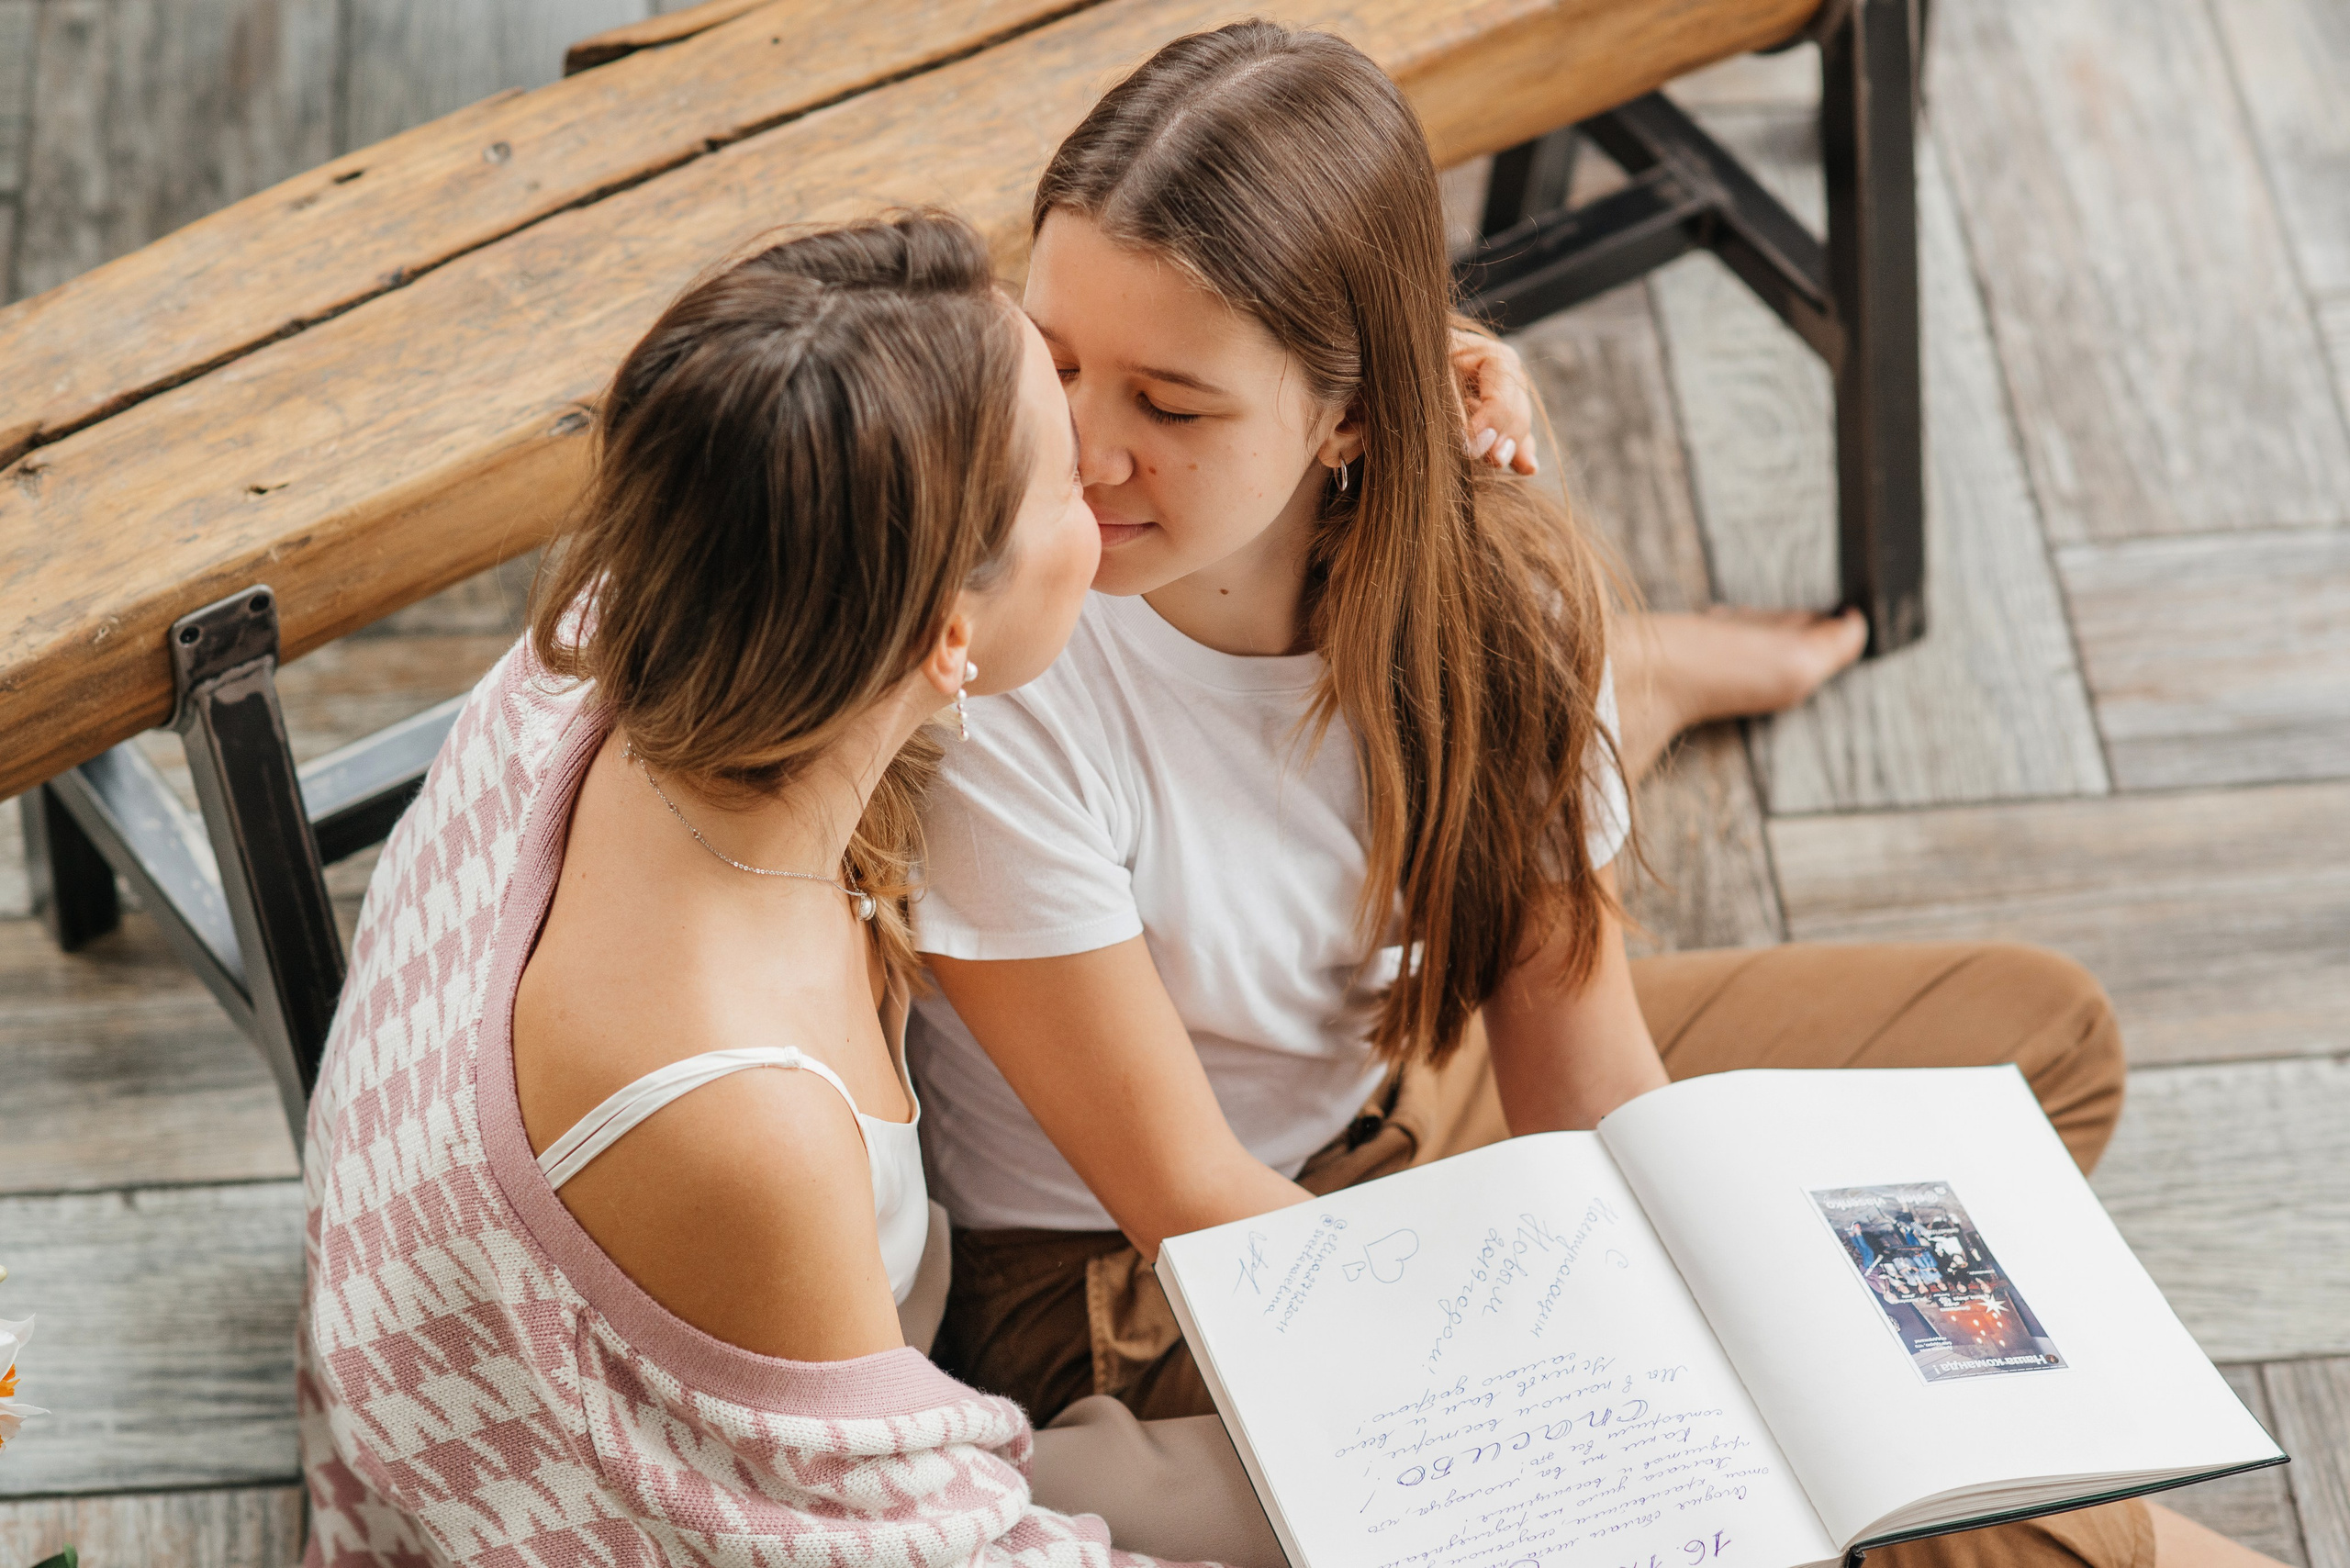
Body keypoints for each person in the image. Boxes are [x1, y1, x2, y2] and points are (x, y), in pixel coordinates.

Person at [905, 25, 2281, 1568]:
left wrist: (1737, 1306)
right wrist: (1654, 1383)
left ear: (1354, 417)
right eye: (1060, 358)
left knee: (2042, 1039)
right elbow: (1190, 1200)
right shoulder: (1011, 675)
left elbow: (1588, 1082)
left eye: (1173, 403)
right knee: (1938, 1511)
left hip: (1390, 1115)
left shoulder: (1493, 604)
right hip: (1137, 1285)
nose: (1084, 449)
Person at [295, 212, 1235, 1567]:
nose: (1103, 464)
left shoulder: (664, 616)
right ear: (944, 635)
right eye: (1064, 480)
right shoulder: (745, 1123)